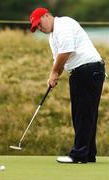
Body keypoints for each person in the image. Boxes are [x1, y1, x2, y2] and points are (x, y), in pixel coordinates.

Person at [29, 7, 105, 163]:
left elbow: (66, 52)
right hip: (82, 72)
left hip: (88, 70)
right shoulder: (52, 37)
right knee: (85, 114)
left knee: (83, 114)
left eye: (40, 23)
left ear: (47, 15)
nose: (40, 28)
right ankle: (88, 153)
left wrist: (54, 72)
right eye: (36, 27)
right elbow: (59, 61)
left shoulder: (63, 24)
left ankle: (79, 154)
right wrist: (55, 75)